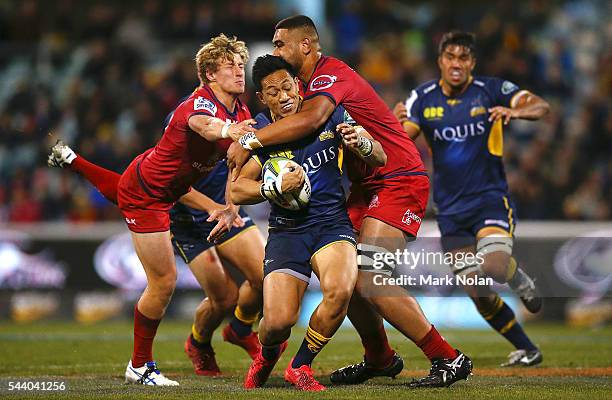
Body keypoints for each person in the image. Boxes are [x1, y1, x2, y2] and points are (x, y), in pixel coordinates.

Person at [222, 16, 472, 388]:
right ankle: (380, 357)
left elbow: (312, 121)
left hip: (395, 178)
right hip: (364, 187)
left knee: (370, 278)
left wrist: (249, 141)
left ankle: (447, 358)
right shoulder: (299, 86)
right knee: (351, 276)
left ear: (305, 45)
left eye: (280, 43)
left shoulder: (327, 76)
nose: (275, 51)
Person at [50, 33, 256, 386]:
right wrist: (228, 130)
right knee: (162, 284)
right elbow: (204, 126)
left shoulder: (240, 110)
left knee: (121, 189)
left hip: (167, 187)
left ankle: (71, 159)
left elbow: (233, 163)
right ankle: (139, 365)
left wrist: (228, 206)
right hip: (148, 196)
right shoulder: (200, 106)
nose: (239, 71)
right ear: (208, 74)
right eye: (230, 66)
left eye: (241, 65)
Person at [393, 31, 549, 367]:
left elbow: (540, 105)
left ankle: (517, 276)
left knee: (492, 265)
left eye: (464, 58)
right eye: (451, 57)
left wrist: (517, 112)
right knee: (477, 290)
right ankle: (527, 349)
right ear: (440, 61)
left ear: (472, 63)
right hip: (450, 211)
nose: (457, 63)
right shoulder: (423, 98)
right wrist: (393, 122)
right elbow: (401, 141)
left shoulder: (491, 90)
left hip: (489, 201)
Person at [231, 55, 384, 391]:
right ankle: (268, 354)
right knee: (277, 323)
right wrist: (272, 187)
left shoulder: (328, 114)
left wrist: (363, 142)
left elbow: (380, 156)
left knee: (340, 290)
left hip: (332, 224)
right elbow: (238, 190)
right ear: (263, 98)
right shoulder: (260, 131)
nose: (284, 96)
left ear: (298, 85)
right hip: (288, 231)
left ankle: (300, 366)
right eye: (274, 92)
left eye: (288, 86)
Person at [48, 144, 266, 376]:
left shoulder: (239, 121)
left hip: (226, 210)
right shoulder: (187, 124)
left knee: (265, 275)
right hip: (186, 220)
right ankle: (198, 344)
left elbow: (239, 167)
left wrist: (231, 204)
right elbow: (163, 183)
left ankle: (241, 328)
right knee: (222, 298)